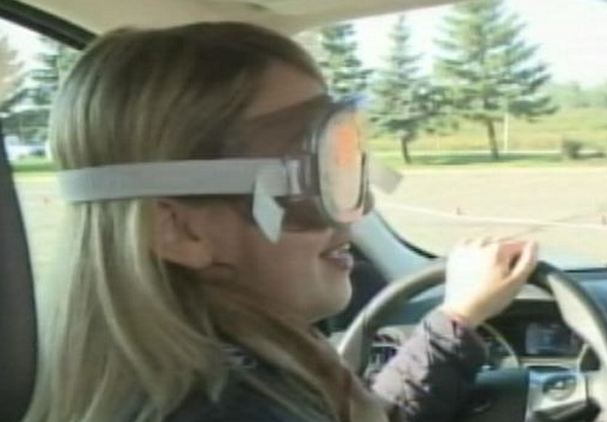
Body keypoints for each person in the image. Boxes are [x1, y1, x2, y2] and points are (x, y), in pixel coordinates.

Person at [23, 22, 538, 422]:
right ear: (181, 230)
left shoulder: (244, 378)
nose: (359, 213)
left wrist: (456, 321)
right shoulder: (229, 407)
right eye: (317, 179)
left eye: (345, 166)